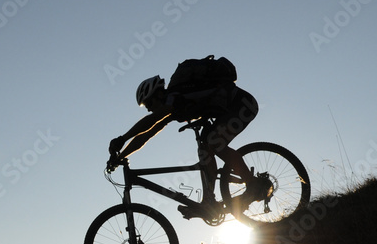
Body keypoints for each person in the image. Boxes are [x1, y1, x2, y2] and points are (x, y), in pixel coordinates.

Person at [107, 59, 264, 219]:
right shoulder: (175, 105)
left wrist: (122, 138)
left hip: (243, 104)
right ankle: (208, 201)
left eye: (149, 103)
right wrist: (121, 156)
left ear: (159, 94)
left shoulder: (175, 96)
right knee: (205, 147)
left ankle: (253, 184)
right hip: (231, 109)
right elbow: (148, 133)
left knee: (214, 142)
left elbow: (152, 120)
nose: (148, 109)